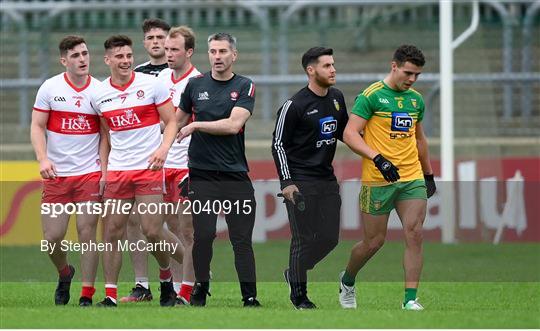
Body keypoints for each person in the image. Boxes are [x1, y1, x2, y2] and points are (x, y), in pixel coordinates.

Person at [338, 45, 436, 311]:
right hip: (377, 180)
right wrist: (378, 158)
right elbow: (350, 134)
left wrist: (428, 173)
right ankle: (347, 280)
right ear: (394, 66)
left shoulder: (416, 100)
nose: (412, 79)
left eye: (417, 75)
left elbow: (419, 139)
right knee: (374, 242)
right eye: (408, 72)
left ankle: (410, 299)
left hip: (411, 176)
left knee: (414, 234)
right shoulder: (371, 96)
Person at [91, 35, 183, 307]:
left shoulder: (151, 85)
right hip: (119, 171)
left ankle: (183, 271)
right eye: (119, 57)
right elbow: (105, 137)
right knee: (111, 233)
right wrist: (105, 173)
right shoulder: (99, 95)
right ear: (108, 60)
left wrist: (163, 149)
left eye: (129, 56)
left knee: (152, 231)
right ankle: (109, 295)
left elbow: (171, 122)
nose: (126, 61)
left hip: (148, 169)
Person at [176, 32, 260, 307]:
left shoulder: (245, 85)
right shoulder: (194, 86)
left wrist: (197, 125)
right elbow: (175, 124)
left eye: (223, 51)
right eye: (213, 51)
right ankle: (200, 290)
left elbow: (233, 125)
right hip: (201, 174)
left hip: (235, 175)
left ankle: (249, 297)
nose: (217, 56)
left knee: (240, 239)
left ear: (233, 55)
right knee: (202, 237)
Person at [271, 47, 349, 309]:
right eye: (327, 65)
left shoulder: (337, 98)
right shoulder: (294, 105)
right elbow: (278, 145)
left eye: (333, 64)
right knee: (302, 239)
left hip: (327, 180)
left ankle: (292, 272)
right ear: (311, 70)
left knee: (330, 239)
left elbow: (346, 132)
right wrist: (287, 182)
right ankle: (299, 297)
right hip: (300, 182)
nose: (333, 69)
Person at [30, 35, 105, 307]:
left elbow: (106, 135)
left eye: (85, 53)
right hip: (57, 176)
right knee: (52, 238)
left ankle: (87, 294)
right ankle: (65, 273)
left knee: (87, 233)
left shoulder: (99, 90)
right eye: (75, 56)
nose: (82, 59)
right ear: (64, 60)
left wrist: (104, 171)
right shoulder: (50, 88)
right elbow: (37, 126)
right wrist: (42, 159)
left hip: (89, 174)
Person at [121, 17, 171, 304]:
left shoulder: (180, 73)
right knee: (131, 221)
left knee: (172, 223)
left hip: (174, 156)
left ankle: (183, 281)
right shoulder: (135, 73)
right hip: (137, 160)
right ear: (144, 43)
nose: (156, 42)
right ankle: (142, 284)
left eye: (161, 37)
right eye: (150, 37)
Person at [157, 25, 201, 305]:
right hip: (162, 163)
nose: (169, 54)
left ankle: (189, 287)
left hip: (187, 163)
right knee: (165, 228)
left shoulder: (198, 81)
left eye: (175, 49)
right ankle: (178, 284)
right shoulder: (160, 78)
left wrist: (162, 124)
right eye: (167, 49)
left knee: (187, 230)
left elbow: (181, 121)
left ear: (189, 51)